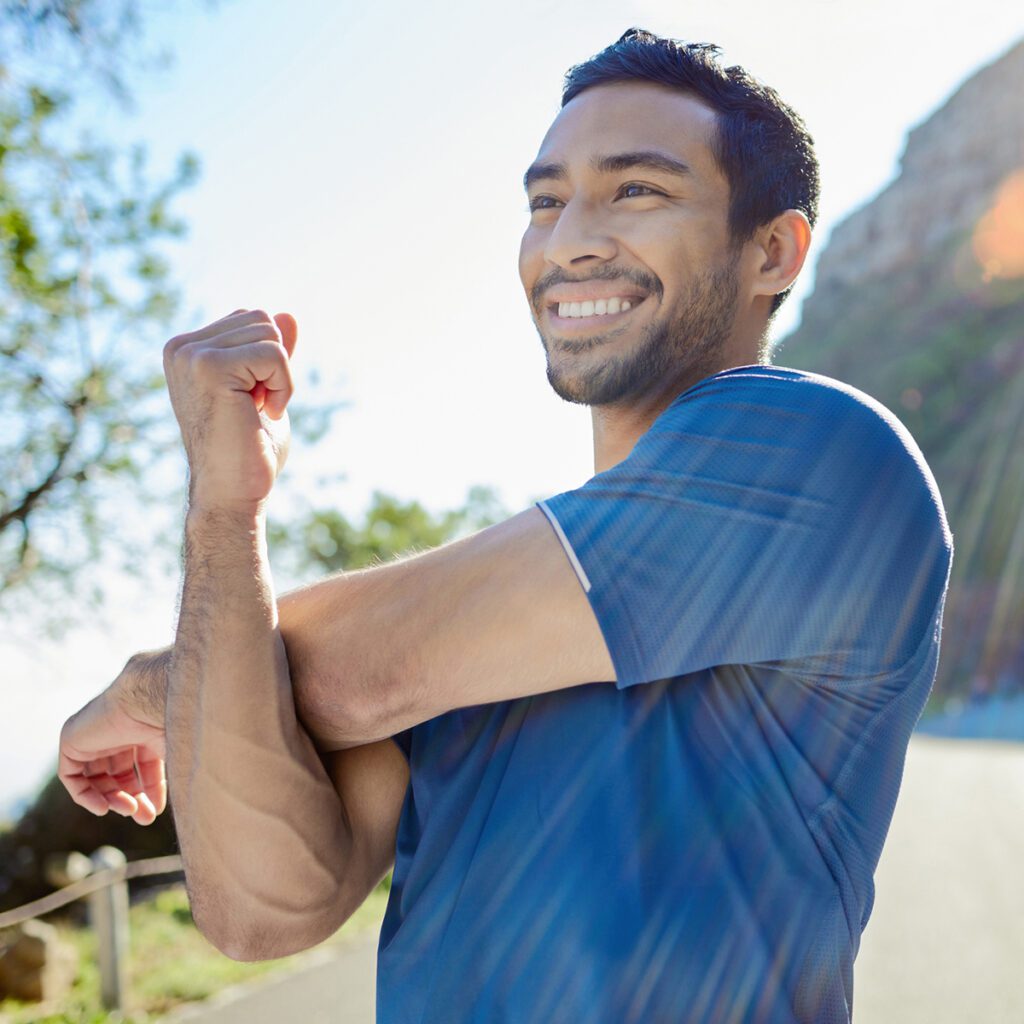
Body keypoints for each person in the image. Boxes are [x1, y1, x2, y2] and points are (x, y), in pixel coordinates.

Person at [57, 27, 954, 1024]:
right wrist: (225, 512)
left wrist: (156, 683)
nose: (568, 238)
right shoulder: (481, 620)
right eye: (544, 199)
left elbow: (358, 669)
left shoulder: (816, 450)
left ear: (771, 250)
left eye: (637, 190)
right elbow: (260, 912)